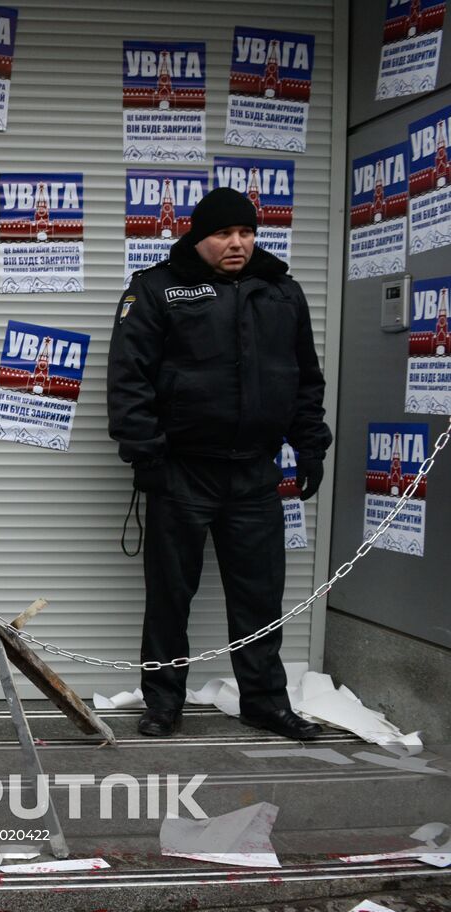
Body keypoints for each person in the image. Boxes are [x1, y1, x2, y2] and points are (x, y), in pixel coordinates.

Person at [106, 187, 331, 741]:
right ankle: (163, 703)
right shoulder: (157, 289)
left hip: (254, 472)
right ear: (198, 237)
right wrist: (146, 455)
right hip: (183, 470)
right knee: (169, 597)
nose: (238, 243)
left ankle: (264, 702)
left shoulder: (282, 292)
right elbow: (128, 379)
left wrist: (310, 446)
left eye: (246, 233)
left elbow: (304, 379)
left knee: (260, 596)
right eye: (224, 234)